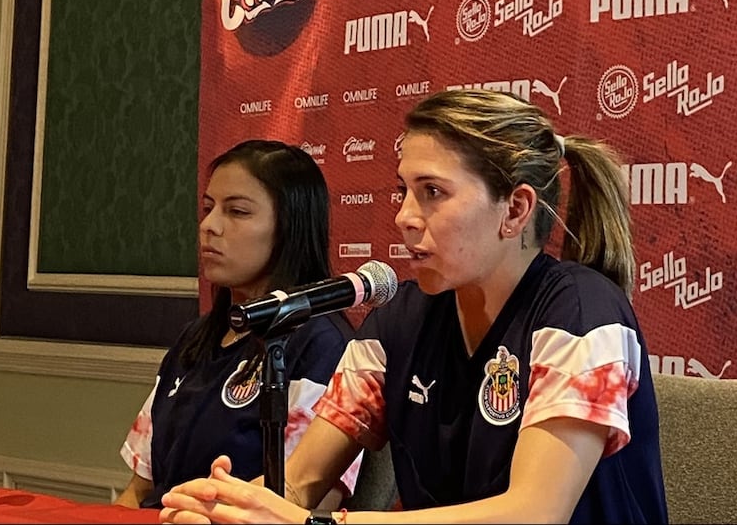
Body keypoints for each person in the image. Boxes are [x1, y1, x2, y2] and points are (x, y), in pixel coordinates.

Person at [158, 89, 668, 524]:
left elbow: (533, 513)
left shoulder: (582, 311)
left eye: (433, 192)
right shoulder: (397, 321)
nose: (404, 216)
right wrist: (230, 507)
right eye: (403, 190)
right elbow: (300, 483)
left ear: (515, 209)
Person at [115, 140, 361, 509]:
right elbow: (138, 491)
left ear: (289, 228)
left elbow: (307, 501)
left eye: (237, 212)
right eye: (208, 208)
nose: (209, 226)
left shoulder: (322, 344)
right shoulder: (195, 338)